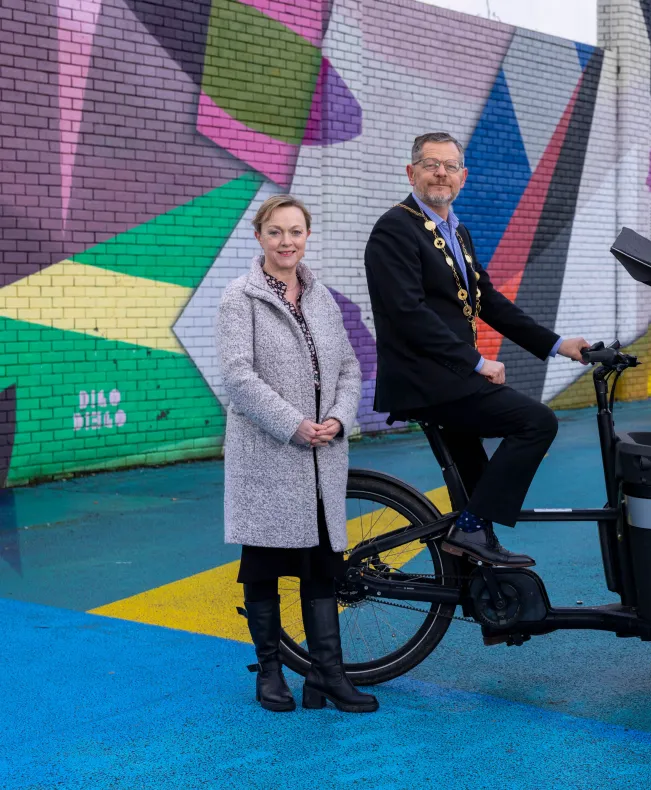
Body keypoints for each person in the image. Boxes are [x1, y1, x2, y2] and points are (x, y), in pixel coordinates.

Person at [364, 132, 589, 567]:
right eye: (431, 164)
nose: (441, 173)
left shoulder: (456, 230)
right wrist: (476, 361)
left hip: (449, 376)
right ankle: (468, 532)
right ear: (411, 172)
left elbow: (487, 300)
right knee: (536, 423)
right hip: (426, 378)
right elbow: (407, 313)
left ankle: (476, 557)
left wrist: (560, 345)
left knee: (474, 479)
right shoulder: (395, 227)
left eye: (450, 166)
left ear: (463, 177)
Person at [218, 194, 376, 714]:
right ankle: (270, 673)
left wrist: (338, 417)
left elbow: (349, 367)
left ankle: (325, 675)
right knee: (263, 566)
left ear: (307, 236)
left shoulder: (321, 296)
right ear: (259, 236)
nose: (287, 242)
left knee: (321, 567)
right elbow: (239, 378)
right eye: (276, 232)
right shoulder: (239, 298)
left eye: (296, 232)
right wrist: (293, 425)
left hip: (321, 455)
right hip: (269, 456)